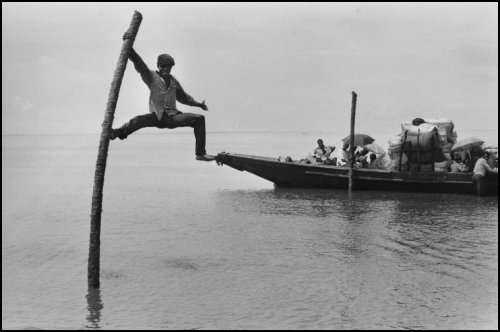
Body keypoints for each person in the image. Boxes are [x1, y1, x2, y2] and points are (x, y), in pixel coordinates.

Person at [110, 32, 215, 162]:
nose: (166, 69)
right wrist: (129, 48)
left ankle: (200, 153)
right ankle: (117, 132)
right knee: (138, 120)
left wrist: (199, 104)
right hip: (158, 117)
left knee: (199, 119)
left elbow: (184, 98)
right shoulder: (152, 77)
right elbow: (140, 65)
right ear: (158, 66)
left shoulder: (174, 82)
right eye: (163, 67)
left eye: (168, 68)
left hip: (173, 117)